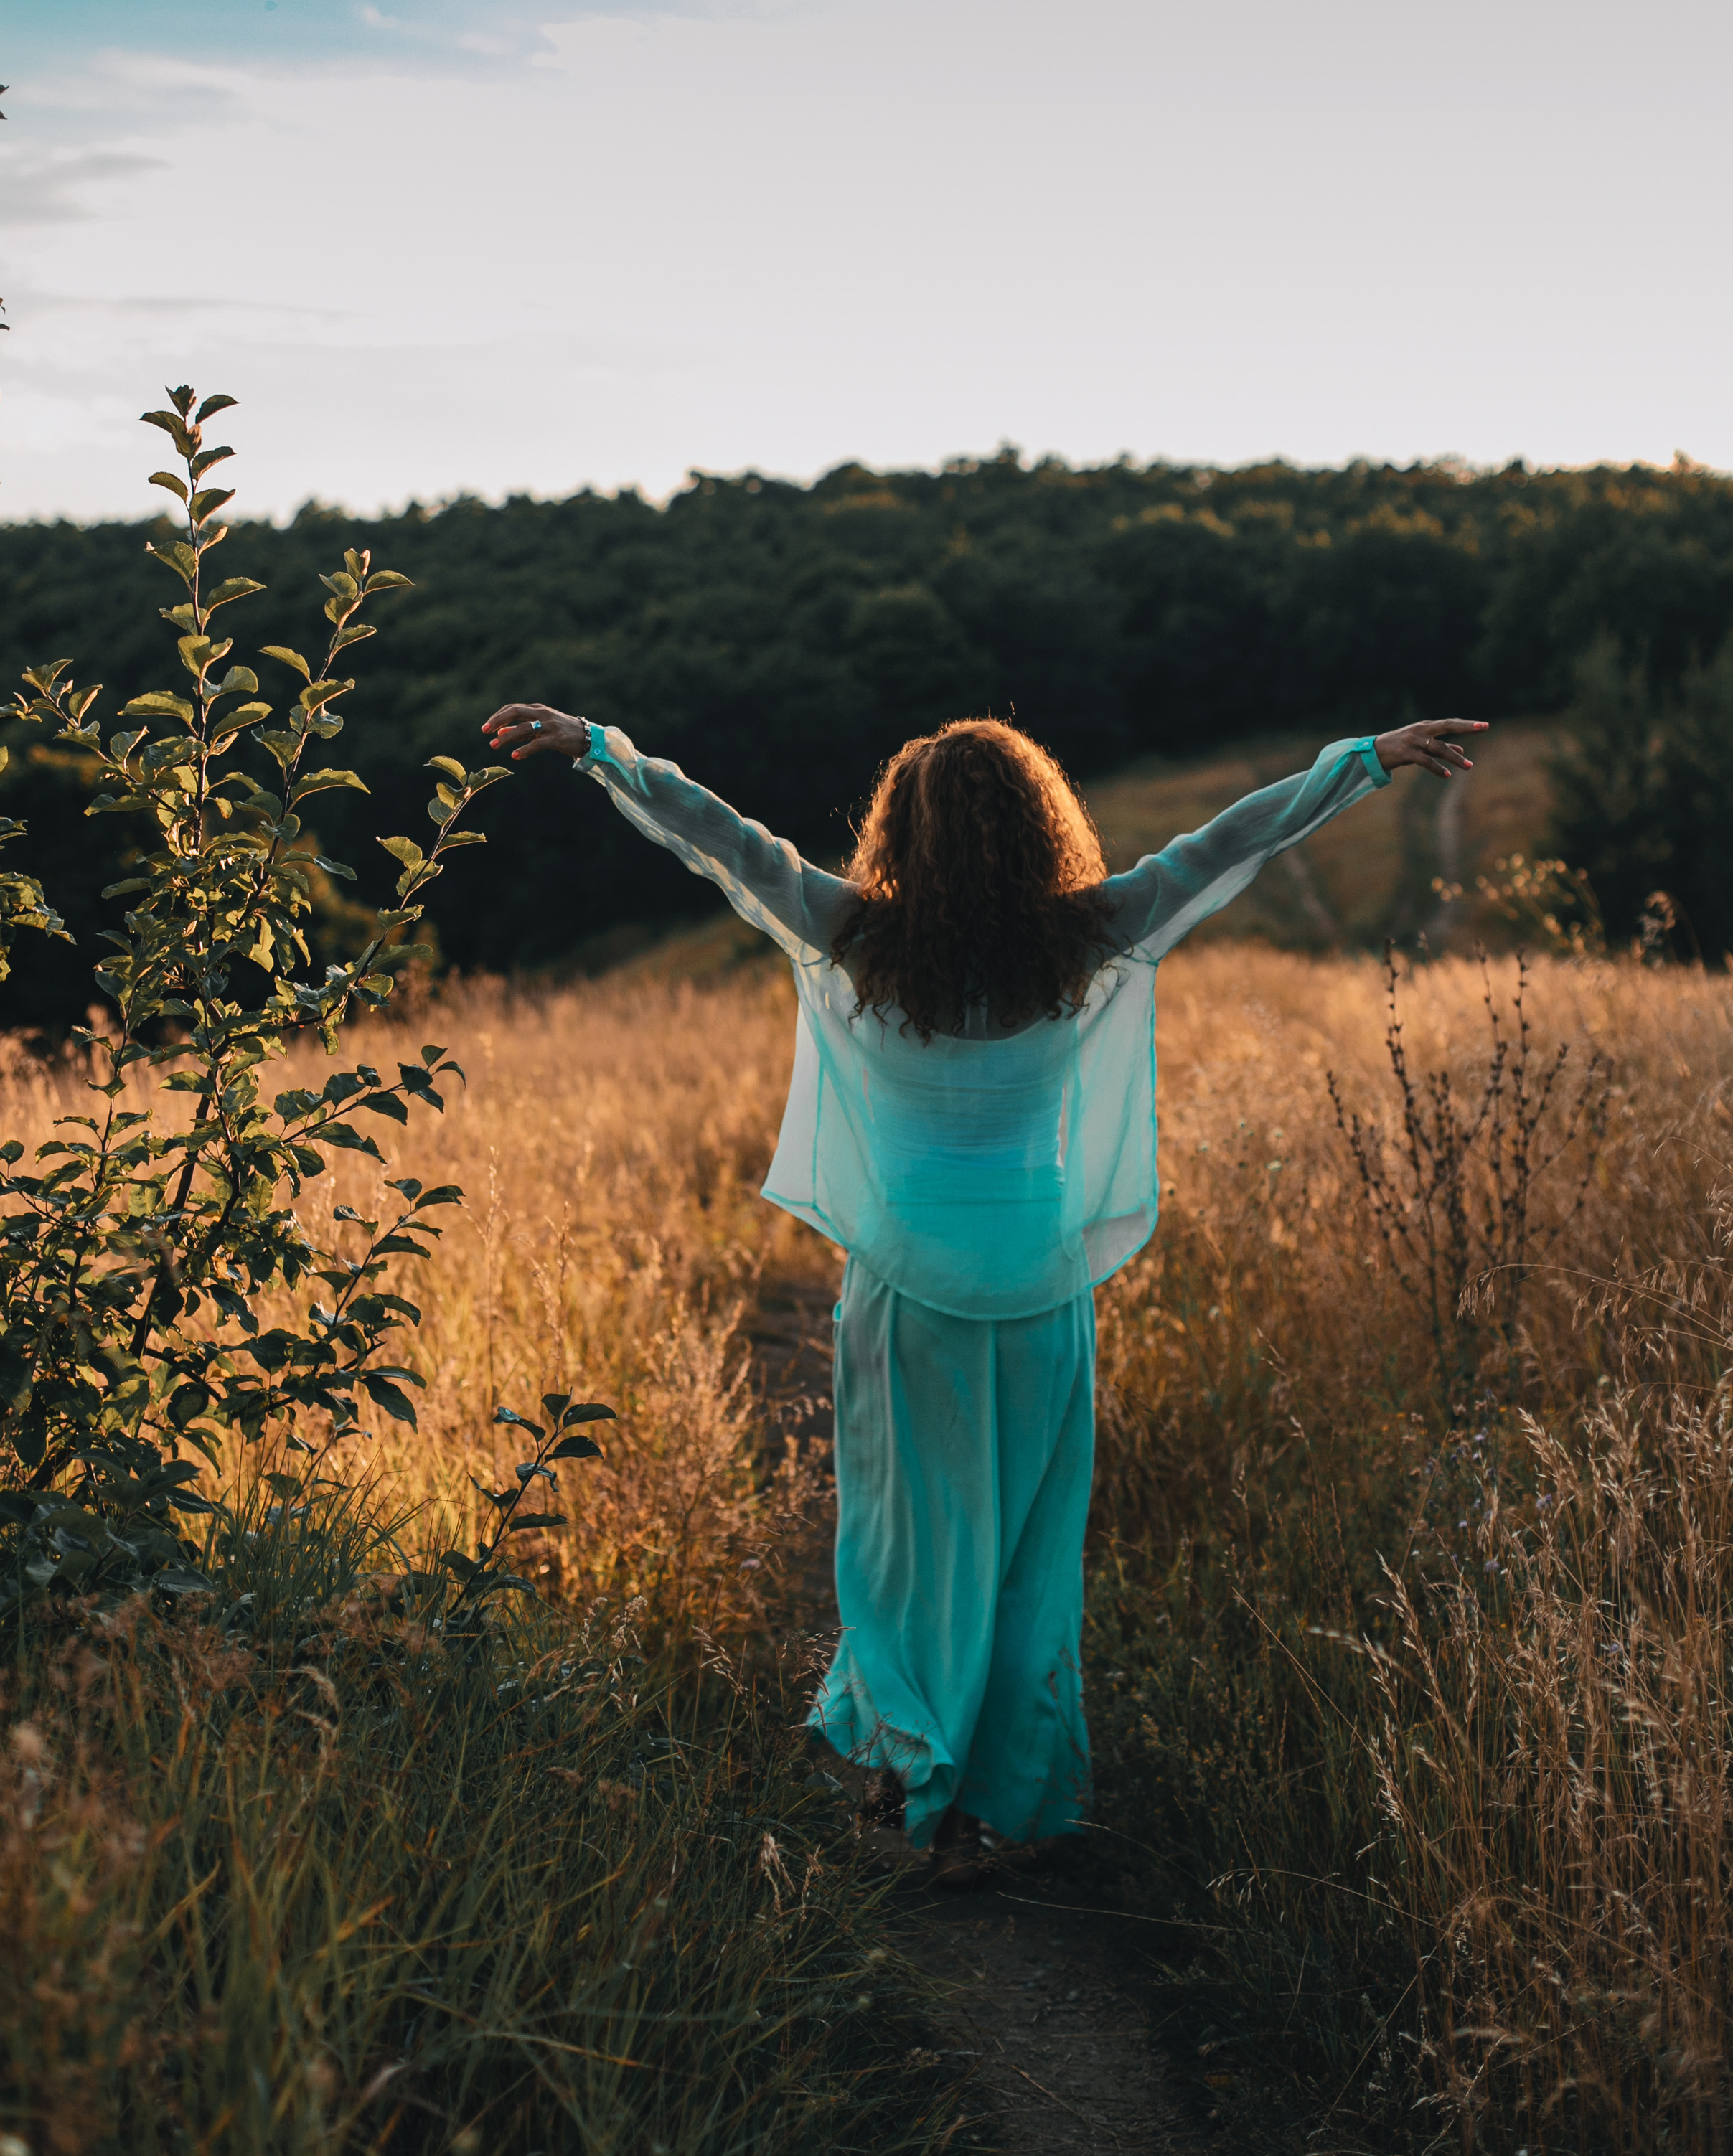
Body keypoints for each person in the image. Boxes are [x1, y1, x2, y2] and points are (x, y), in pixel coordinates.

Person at [482, 700, 1485, 1884]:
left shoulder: (857, 932)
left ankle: (915, 1774)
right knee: (1023, 1553)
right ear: (1036, 825)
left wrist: (603, 750)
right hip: (1043, 1291)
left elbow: (723, 840)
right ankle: (994, 1804)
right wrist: (1364, 764)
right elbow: (1233, 843)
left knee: (912, 1548)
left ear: (901, 832)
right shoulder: (1089, 933)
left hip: (908, 1293)